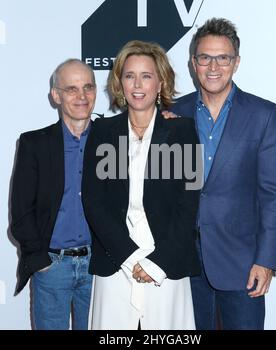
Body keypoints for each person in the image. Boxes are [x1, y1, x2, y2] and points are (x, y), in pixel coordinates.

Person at [168, 18, 276, 330]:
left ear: (236, 62)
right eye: (205, 57)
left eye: (223, 57)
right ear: (193, 63)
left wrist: (266, 259)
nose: (213, 66)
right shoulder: (172, 113)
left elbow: (274, 195)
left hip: (242, 261)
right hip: (184, 262)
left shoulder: (263, 114)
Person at [82, 40, 201, 330]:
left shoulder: (182, 132)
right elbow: (95, 202)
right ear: (119, 82)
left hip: (166, 263)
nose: (137, 84)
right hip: (116, 261)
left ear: (160, 83)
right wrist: (130, 257)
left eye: (146, 76)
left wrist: (155, 263)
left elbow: (189, 205)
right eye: (129, 75)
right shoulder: (102, 132)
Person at [11, 59, 96, 330]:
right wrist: (40, 261)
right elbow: (22, 211)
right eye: (71, 89)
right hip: (52, 266)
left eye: (88, 87)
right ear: (56, 96)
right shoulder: (34, 143)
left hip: (99, 268)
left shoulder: (112, 140)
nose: (82, 96)